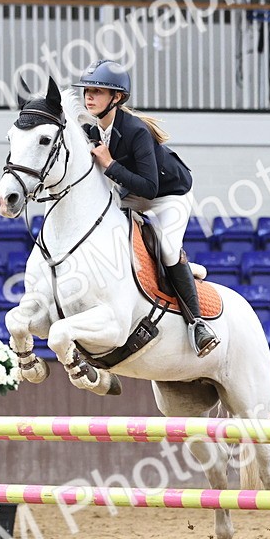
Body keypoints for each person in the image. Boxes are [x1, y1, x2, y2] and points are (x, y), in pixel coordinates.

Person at [72, 59, 220, 357]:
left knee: (166, 249)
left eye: (98, 91)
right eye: (87, 90)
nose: (89, 96)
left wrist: (109, 164)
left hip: (169, 195)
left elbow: (149, 187)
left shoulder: (137, 131)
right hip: (132, 191)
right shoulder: (94, 129)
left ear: (117, 97)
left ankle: (197, 324)